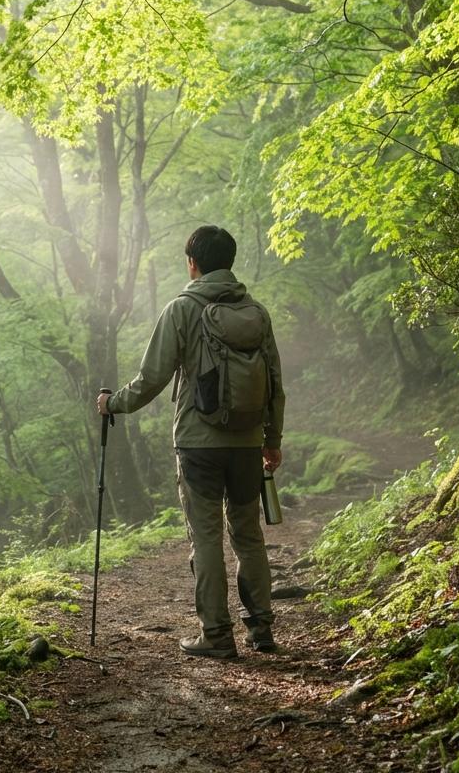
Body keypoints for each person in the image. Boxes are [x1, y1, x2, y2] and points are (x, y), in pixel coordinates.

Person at [97, 225, 284, 659]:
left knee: (206, 538)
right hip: (246, 443)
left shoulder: (182, 309)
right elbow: (275, 381)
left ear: (192, 264)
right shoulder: (256, 312)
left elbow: (151, 379)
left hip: (199, 445)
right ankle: (262, 630)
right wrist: (271, 438)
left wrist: (113, 404)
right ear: (230, 262)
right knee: (248, 536)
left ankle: (217, 636)